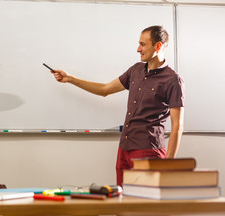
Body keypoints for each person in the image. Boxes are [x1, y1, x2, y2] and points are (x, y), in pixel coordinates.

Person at [52, 25, 184, 186]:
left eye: (143, 44)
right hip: (125, 148)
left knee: (146, 206)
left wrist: (168, 164)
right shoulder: (135, 70)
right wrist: (70, 79)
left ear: (157, 46)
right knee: (123, 206)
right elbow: (105, 89)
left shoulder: (172, 80)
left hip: (149, 151)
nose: (138, 49)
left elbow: (177, 126)